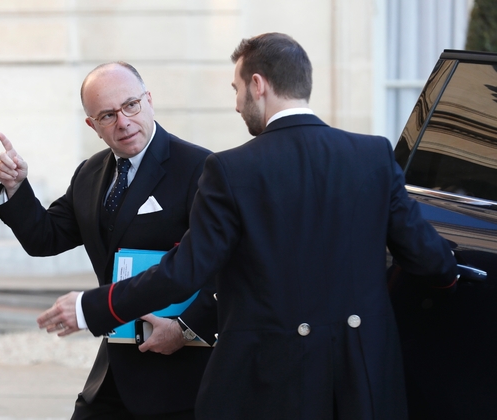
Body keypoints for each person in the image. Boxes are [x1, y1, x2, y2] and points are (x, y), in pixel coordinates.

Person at [42, 33, 459, 419]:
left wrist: (90, 307)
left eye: (237, 91)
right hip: (362, 378)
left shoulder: (231, 168)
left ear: (258, 85)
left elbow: (185, 271)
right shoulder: (372, 155)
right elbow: (431, 261)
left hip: (266, 381)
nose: (237, 105)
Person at [0, 61, 217, 419]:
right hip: (112, 372)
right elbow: (44, 238)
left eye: (131, 105)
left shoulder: (201, 168)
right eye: (107, 115)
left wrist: (185, 329)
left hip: (181, 375)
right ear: (92, 126)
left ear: (149, 100)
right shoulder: (90, 173)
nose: (123, 121)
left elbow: (224, 265)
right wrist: (16, 187)